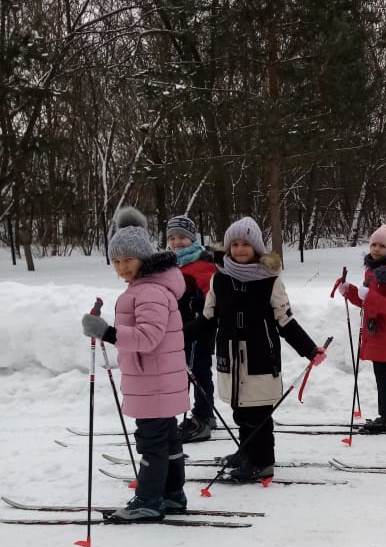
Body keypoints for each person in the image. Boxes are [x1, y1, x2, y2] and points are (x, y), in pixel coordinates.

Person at [81, 207, 189, 521]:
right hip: (157, 382)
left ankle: (149, 500)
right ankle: (171, 494)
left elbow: (148, 337)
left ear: (143, 258)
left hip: (152, 383)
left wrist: (108, 332)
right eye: (116, 261)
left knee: (152, 442)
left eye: (128, 260)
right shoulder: (146, 289)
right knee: (167, 439)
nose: (122, 267)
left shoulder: (150, 292)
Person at [202, 216, 327, 481]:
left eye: (246, 244)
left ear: (257, 247)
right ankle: (247, 452)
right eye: (234, 244)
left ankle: (263, 462)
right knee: (240, 410)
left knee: (257, 414)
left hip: (260, 356)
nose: (239, 249)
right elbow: (208, 318)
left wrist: (309, 349)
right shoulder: (219, 278)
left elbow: (285, 320)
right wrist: (179, 337)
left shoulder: (270, 280)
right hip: (230, 355)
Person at [338, 224, 386, 433]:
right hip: (378, 330)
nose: (376, 249)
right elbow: (368, 302)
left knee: (385, 373)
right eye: (373, 244)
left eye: (382, 245)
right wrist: (351, 292)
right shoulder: (373, 270)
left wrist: (368, 296)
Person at [165, 215, 218, 442]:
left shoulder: (202, 263)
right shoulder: (169, 265)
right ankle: (198, 414)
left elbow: (212, 296)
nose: (177, 242)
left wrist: (200, 302)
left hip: (201, 328)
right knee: (183, 372)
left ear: (192, 239)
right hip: (179, 329)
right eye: (173, 238)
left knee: (199, 371)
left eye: (183, 238)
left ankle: (204, 415)